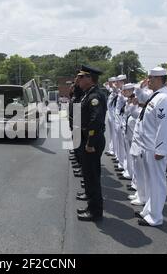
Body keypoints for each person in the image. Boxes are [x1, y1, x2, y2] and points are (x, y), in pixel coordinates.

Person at [136, 67, 167, 227]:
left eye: (150, 78)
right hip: (148, 145)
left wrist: (160, 149)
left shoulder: (163, 98)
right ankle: (148, 210)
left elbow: (164, 126)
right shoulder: (155, 96)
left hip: (154, 148)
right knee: (151, 182)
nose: (148, 80)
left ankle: (155, 217)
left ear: (159, 79)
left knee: (157, 183)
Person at [75, 65, 107, 222]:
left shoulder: (95, 96)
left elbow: (96, 121)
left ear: (89, 78)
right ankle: (91, 206)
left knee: (93, 176)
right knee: (88, 174)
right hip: (87, 138)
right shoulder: (88, 94)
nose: (79, 80)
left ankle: (95, 211)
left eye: (81, 77)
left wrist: (90, 142)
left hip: (92, 141)